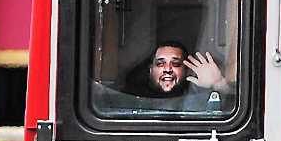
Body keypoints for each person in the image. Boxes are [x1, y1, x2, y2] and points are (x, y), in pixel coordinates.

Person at [96, 40, 234, 116]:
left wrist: (219, 84)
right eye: (160, 63)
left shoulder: (200, 98)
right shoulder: (130, 98)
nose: (167, 69)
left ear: (186, 71)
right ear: (150, 71)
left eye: (175, 64)